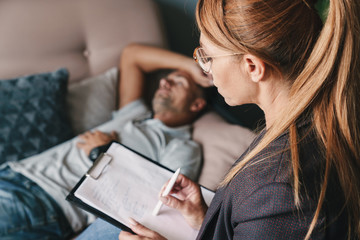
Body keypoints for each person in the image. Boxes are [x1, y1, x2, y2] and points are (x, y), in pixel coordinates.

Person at [116, 0, 360, 239]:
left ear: (252, 66)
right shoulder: (300, 124)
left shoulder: (279, 191)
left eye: (208, 57)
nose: (206, 69)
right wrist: (207, 219)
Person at [0, 43, 210, 239]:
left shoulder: (182, 146)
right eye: (167, 78)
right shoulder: (134, 113)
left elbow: (158, 203)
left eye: (179, 82)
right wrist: (189, 67)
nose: (165, 81)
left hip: (43, 200)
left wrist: (100, 153)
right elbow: (132, 55)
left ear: (196, 104)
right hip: (13, 173)